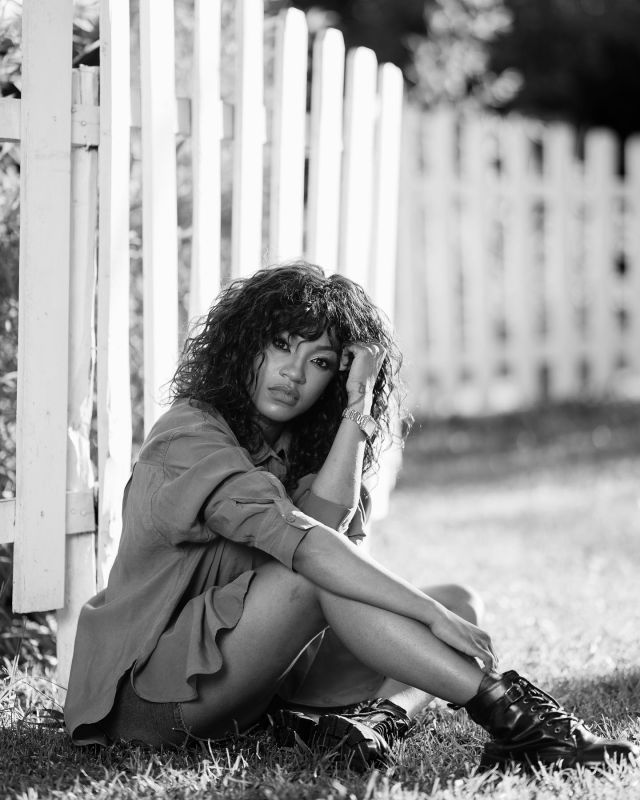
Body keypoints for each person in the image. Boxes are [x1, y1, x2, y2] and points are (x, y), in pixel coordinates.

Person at [65, 262, 636, 772]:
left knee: (458, 598)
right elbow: (313, 549)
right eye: (280, 346)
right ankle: (519, 721)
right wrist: (431, 617)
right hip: (150, 699)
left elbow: (331, 526)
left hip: (248, 678)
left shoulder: (294, 446)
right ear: (242, 346)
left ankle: (379, 721)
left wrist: (357, 402)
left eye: (318, 362)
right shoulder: (189, 434)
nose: (293, 373)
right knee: (330, 575)